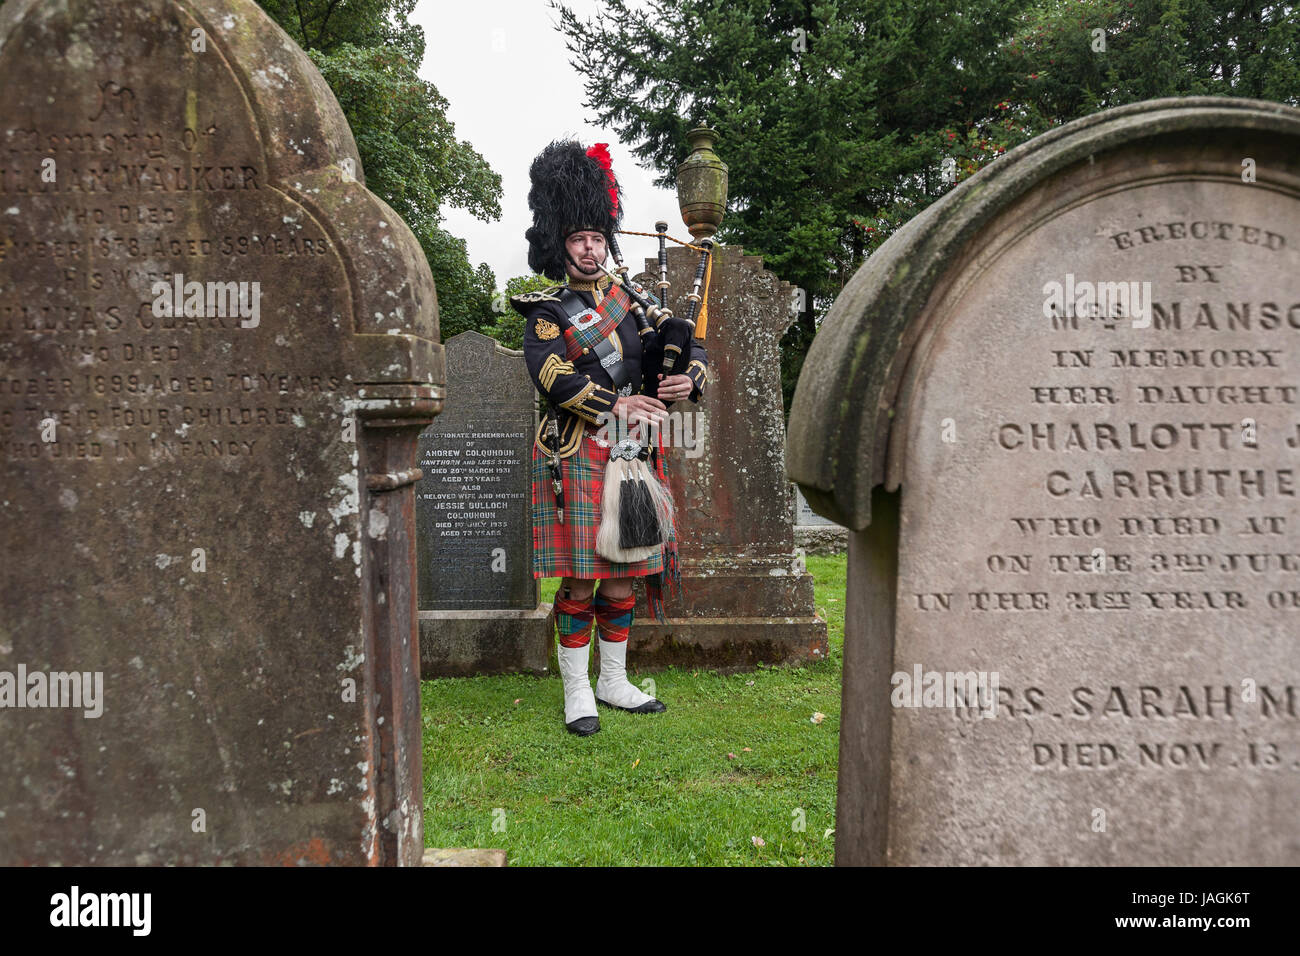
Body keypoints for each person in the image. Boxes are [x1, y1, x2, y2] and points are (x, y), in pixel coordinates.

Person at [510, 140, 709, 737]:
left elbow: (689, 348)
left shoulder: (633, 302)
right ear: (560, 245)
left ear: (607, 241)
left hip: (632, 454)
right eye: (578, 238)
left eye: (597, 237)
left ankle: (614, 680)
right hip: (575, 449)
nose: (589, 247)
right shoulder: (546, 311)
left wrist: (685, 380)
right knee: (579, 576)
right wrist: (616, 402)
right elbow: (550, 375)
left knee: (624, 570)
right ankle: (577, 689)